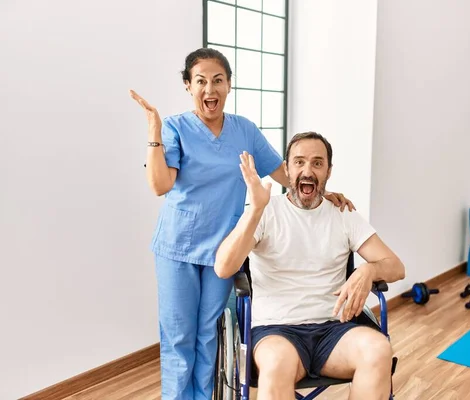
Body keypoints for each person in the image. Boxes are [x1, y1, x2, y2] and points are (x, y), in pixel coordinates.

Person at [129, 49, 355, 400]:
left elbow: (285, 174)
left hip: (224, 251)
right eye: (201, 81)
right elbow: (160, 185)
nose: (210, 89)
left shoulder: (244, 131)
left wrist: (325, 192)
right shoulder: (174, 127)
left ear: (229, 85)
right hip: (178, 248)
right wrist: (154, 130)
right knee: (179, 337)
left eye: (218, 80)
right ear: (189, 86)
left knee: (208, 336)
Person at [214, 131, 406, 400]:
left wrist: (368, 270)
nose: (308, 170)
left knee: (378, 349)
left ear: (328, 171)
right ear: (287, 169)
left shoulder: (343, 214)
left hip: (335, 328)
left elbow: (396, 266)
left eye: (317, 163)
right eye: (299, 162)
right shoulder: (266, 211)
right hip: (276, 330)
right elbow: (223, 268)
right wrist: (255, 209)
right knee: (276, 364)